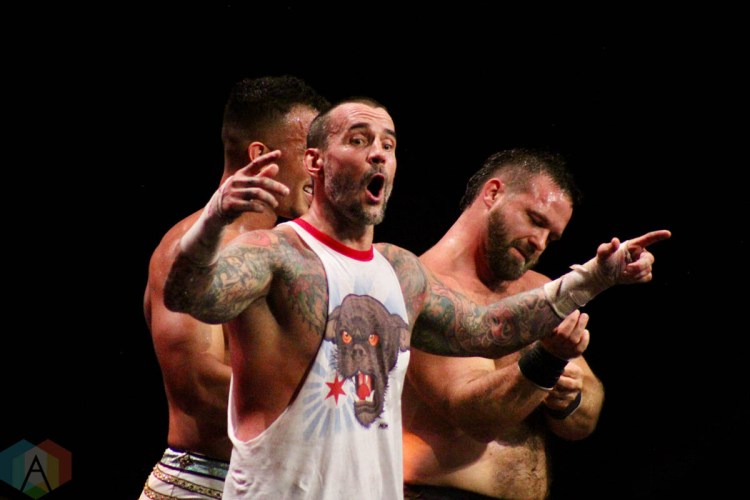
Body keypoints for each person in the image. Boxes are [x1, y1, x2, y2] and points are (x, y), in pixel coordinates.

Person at [162, 97, 670, 499]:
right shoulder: (274, 251)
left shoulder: (399, 270)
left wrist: (594, 278)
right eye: (358, 140)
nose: (378, 153)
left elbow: (487, 329)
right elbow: (189, 295)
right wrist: (213, 220)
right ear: (315, 162)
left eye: (388, 143)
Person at [141, 75, 329, 499]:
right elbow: (198, 384)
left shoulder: (288, 250)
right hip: (204, 483)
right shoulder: (192, 250)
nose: (319, 169)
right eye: (308, 153)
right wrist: (327, 401)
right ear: (260, 156)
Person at [402, 149, 606, 499]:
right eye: (535, 220)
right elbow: (476, 416)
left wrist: (568, 399)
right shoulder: (422, 286)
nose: (539, 243)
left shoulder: (538, 290)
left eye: (551, 237)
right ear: (493, 193)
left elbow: (586, 416)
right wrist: (548, 363)